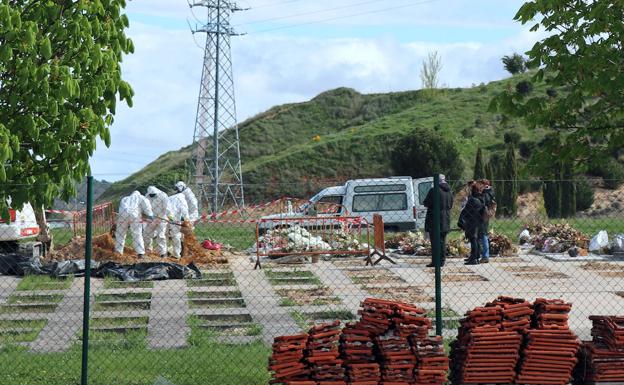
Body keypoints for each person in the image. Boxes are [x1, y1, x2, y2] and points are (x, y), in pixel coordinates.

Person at [424, 177, 454, 267]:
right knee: (442, 241)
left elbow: (426, 202)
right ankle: (442, 260)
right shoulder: (449, 192)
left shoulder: (434, 191)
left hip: (434, 219)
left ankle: (435, 261)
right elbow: (451, 204)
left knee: (435, 242)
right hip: (446, 219)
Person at [115, 191, 154, 258]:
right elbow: (147, 208)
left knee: (120, 233)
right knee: (137, 234)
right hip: (134, 216)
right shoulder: (141, 198)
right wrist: (150, 215)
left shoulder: (125, 198)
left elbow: (121, 207)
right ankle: (140, 253)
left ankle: (118, 252)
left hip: (122, 215)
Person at [458, 184, 484, 265]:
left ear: (473, 190)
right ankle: (475, 257)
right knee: (476, 240)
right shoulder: (481, 198)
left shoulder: (473, 200)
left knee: (473, 240)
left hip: (471, 222)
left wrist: (461, 220)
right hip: (478, 222)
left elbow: (466, 210)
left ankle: (473, 259)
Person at [143, 186, 170, 258]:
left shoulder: (163, 196)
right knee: (146, 234)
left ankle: (163, 253)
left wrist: (159, 219)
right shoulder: (147, 196)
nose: (152, 196)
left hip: (162, 218)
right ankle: (148, 251)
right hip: (151, 218)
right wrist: (148, 218)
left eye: (153, 195)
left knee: (160, 235)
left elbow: (166, 209)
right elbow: (146, 208)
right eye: (150, 195)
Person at [477, 179, 496, 263]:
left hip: (483, 216)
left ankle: (485, 256)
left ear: (484, 185)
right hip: (486, 216)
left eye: (480, 184)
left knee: (483, 234)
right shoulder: (490, 192)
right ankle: (484, 255)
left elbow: (482, 203)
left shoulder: (486, 193)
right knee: (483, 234)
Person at [168, 191, 190, 259]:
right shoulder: (182, 199)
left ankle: (163, 253)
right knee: (176, 236)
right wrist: (187, 221)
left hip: (165, 217)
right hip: (175, 220)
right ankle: (176, 254)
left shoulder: (170, 198)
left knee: (163, 235)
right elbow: (184, 211)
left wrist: (169, 216)